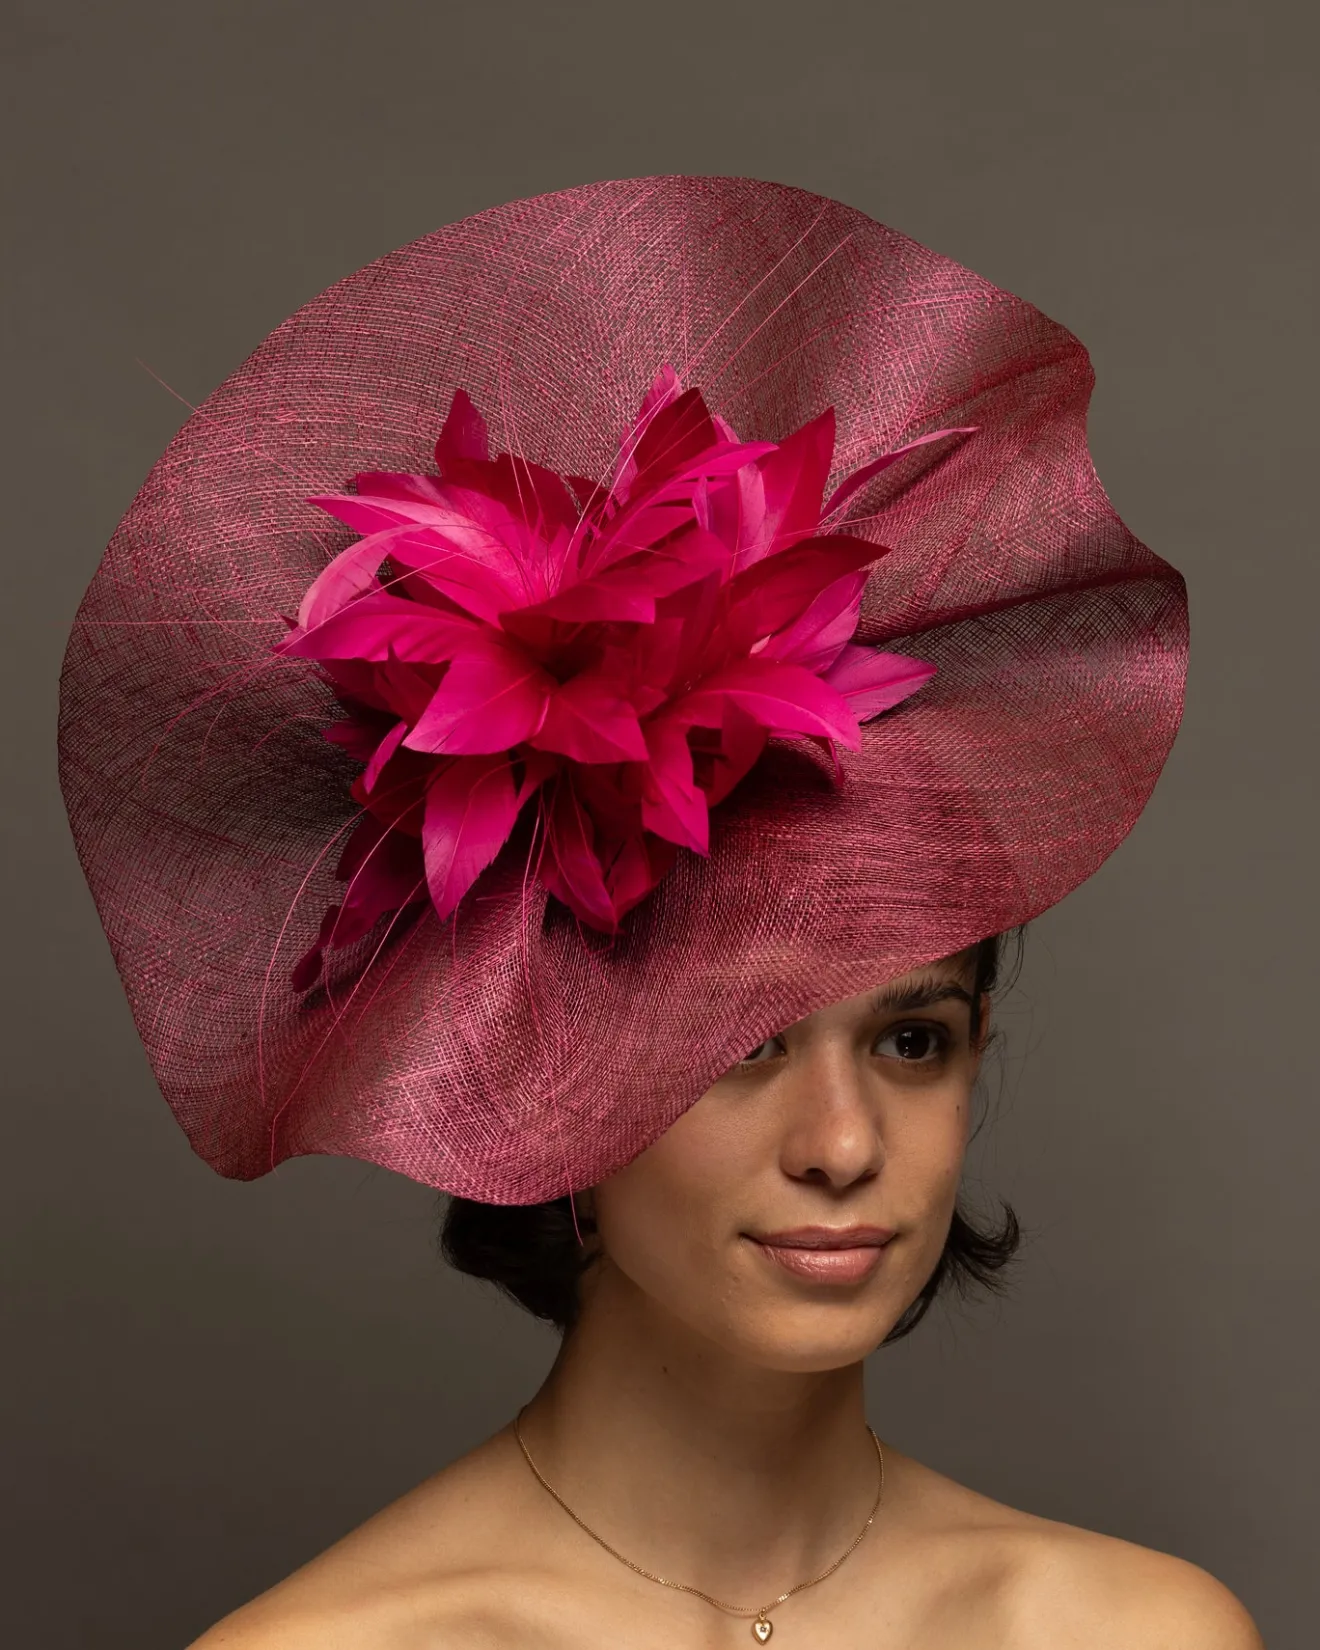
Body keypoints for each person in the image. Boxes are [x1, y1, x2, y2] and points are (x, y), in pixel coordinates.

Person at [58, 177, 1263, 1648]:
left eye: (912, 1042)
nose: (843, 1147)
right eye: (738, 1042)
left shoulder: (1132, 1632)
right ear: (540, 1075)